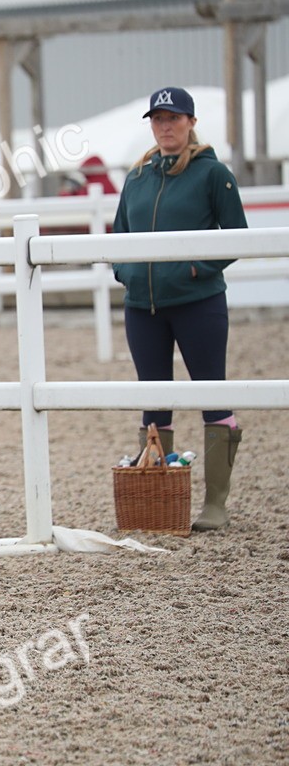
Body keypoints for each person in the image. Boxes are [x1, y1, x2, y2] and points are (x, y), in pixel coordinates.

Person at [111, 86, 246, 532]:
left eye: (173, 118)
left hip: (198, 303)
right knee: (154, 401)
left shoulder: (213, 175)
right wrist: (128, 275)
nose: (165, 126)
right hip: (142, 307)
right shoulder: (137, 176)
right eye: (158, 119)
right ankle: (156, 496)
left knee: (211, 394)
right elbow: (119, 237)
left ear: (190, 122)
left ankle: (216, 503)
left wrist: (195, 269)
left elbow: (237, 235)